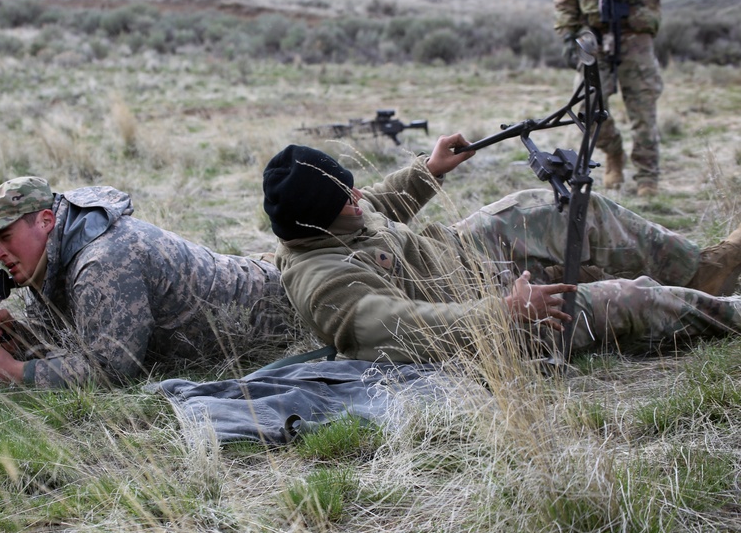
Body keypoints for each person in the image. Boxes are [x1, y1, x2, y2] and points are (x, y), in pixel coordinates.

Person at [261, 140, 741, 365]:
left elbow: (376, 206)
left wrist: (428, 170)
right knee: (621, 298)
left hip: (462, 254)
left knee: (565, 212)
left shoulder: (337, 213)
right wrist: (505, 312)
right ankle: (729, 314)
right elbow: (405, 327)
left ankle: (702, 270)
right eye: (347, 197)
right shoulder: (322, 283)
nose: (360, 198)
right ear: (315, 220)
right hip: (482, 326)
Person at [0, 177, 291, 387]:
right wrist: (16, 340)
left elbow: (112, 368)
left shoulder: (103, 261)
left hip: (279, 306)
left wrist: (21, 374)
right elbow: (70, 338)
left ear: (45, 221)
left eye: (6, 237)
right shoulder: (52, 255)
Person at [552, 0, 681, 197]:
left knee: (642, 108)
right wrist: (568, 33)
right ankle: (614, 153)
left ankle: (647, 176)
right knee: (586, 108)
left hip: (635, 35)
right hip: (593, 36)